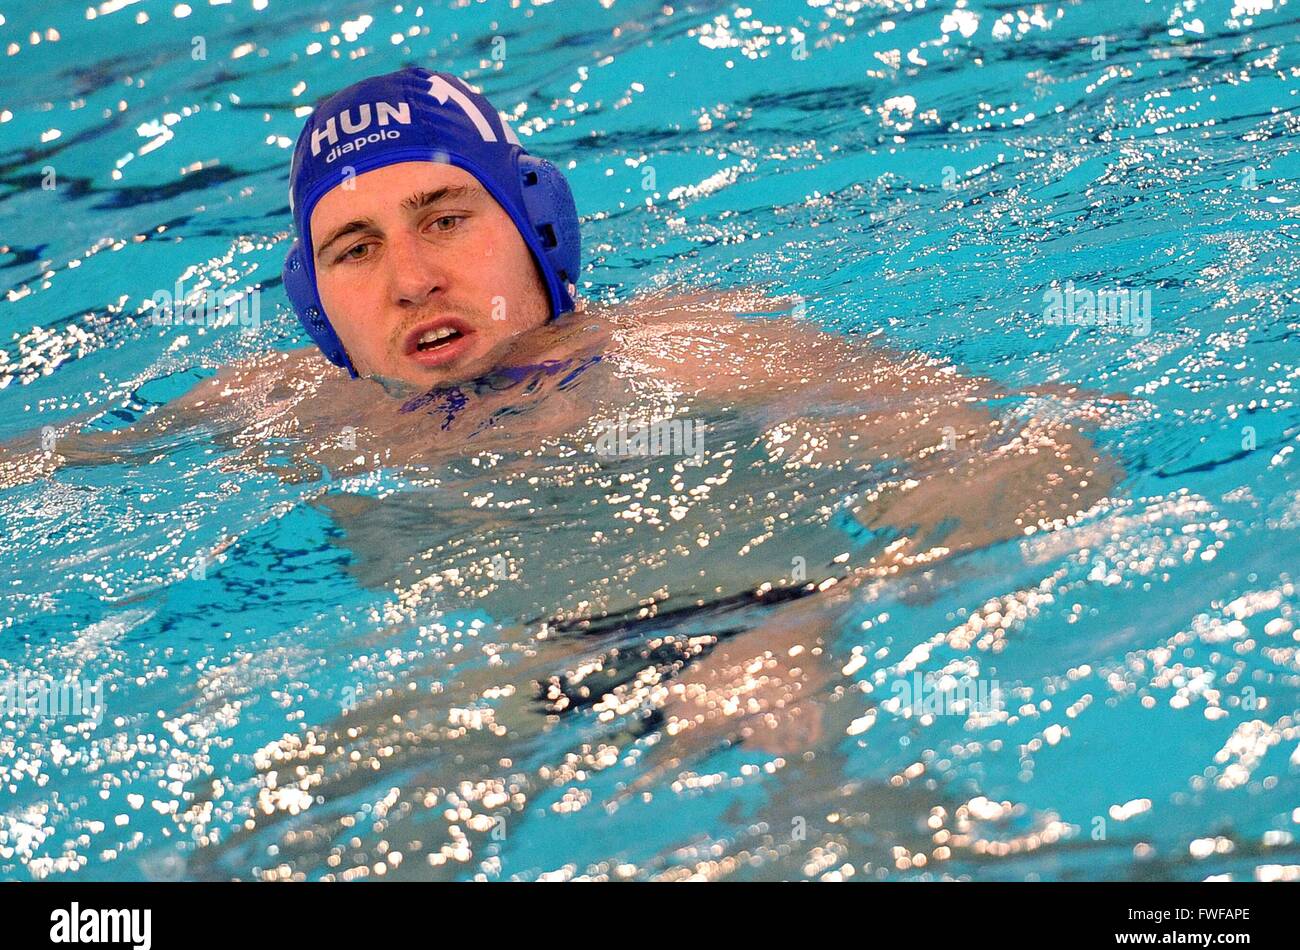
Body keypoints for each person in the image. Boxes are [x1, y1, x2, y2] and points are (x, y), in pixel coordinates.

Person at [1, 67, 1122, 756]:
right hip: (499, 680)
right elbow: (51, 459)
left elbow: (1042, 453)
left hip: (753, 626)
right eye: (355, 247)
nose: (408, 279)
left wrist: (824, 616)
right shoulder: (284, 406)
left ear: (539, 229)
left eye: (444, 217)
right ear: (313, 303)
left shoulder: (692, 352)